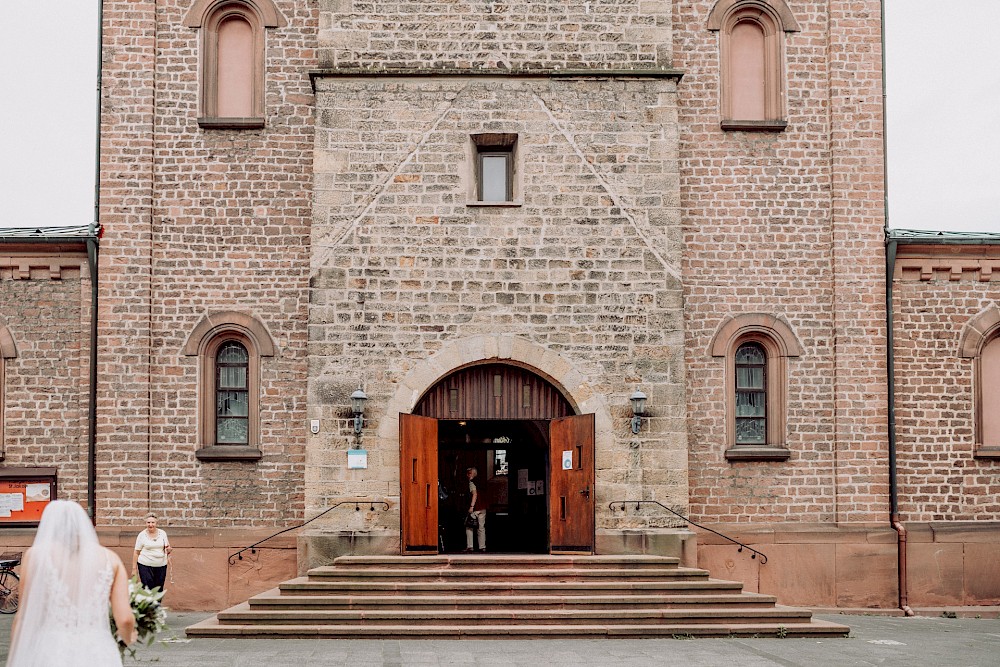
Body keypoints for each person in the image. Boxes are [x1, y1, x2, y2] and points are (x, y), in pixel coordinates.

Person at [7, 500, 136, 666]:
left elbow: (24, 617)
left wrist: (18, 652)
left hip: (51, 649)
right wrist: (126, 637)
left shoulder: (35, 556)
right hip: (97, 650)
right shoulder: (110, 558)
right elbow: (125, 619)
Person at [133, 513, 172, 592]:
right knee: (147, 589)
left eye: (153, 522)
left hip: (161, 565)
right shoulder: (142, 535)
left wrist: (169, 549)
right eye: (148, 522)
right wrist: (134, 569)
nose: (150, 525)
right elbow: (136, 552)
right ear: (145, 523)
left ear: (156, 523)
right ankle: (148, 604)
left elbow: (167, 546)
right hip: (145, 565)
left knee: (158, 589)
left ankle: (157, 604)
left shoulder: (163, 533)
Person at [464, 466, 487, 552]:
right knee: (481, 527)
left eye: (469, 473)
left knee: (469, 526)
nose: (467, 475)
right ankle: (482, 546)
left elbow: (474, 494)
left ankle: (470, 546)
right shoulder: (482, 482)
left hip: (476, 507)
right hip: (483, 507)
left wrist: (471, 506)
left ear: (473, 474)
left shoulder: (472, 483)